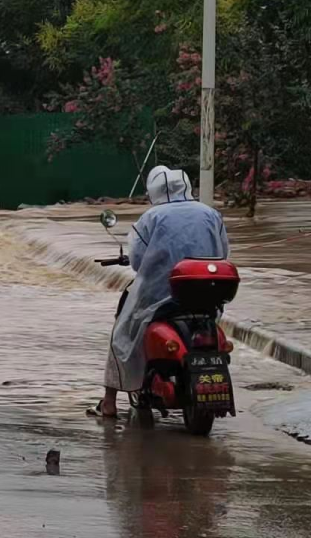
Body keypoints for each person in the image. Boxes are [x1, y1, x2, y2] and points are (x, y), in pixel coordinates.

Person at [97, 166, 229, 418]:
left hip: (160, 295)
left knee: (122, 335)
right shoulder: (211, 214)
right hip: (209, 293)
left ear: (153, 190)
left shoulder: (150, 218)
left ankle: (109, 403)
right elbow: (224, 252)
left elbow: (137, 262)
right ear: (187, 185)